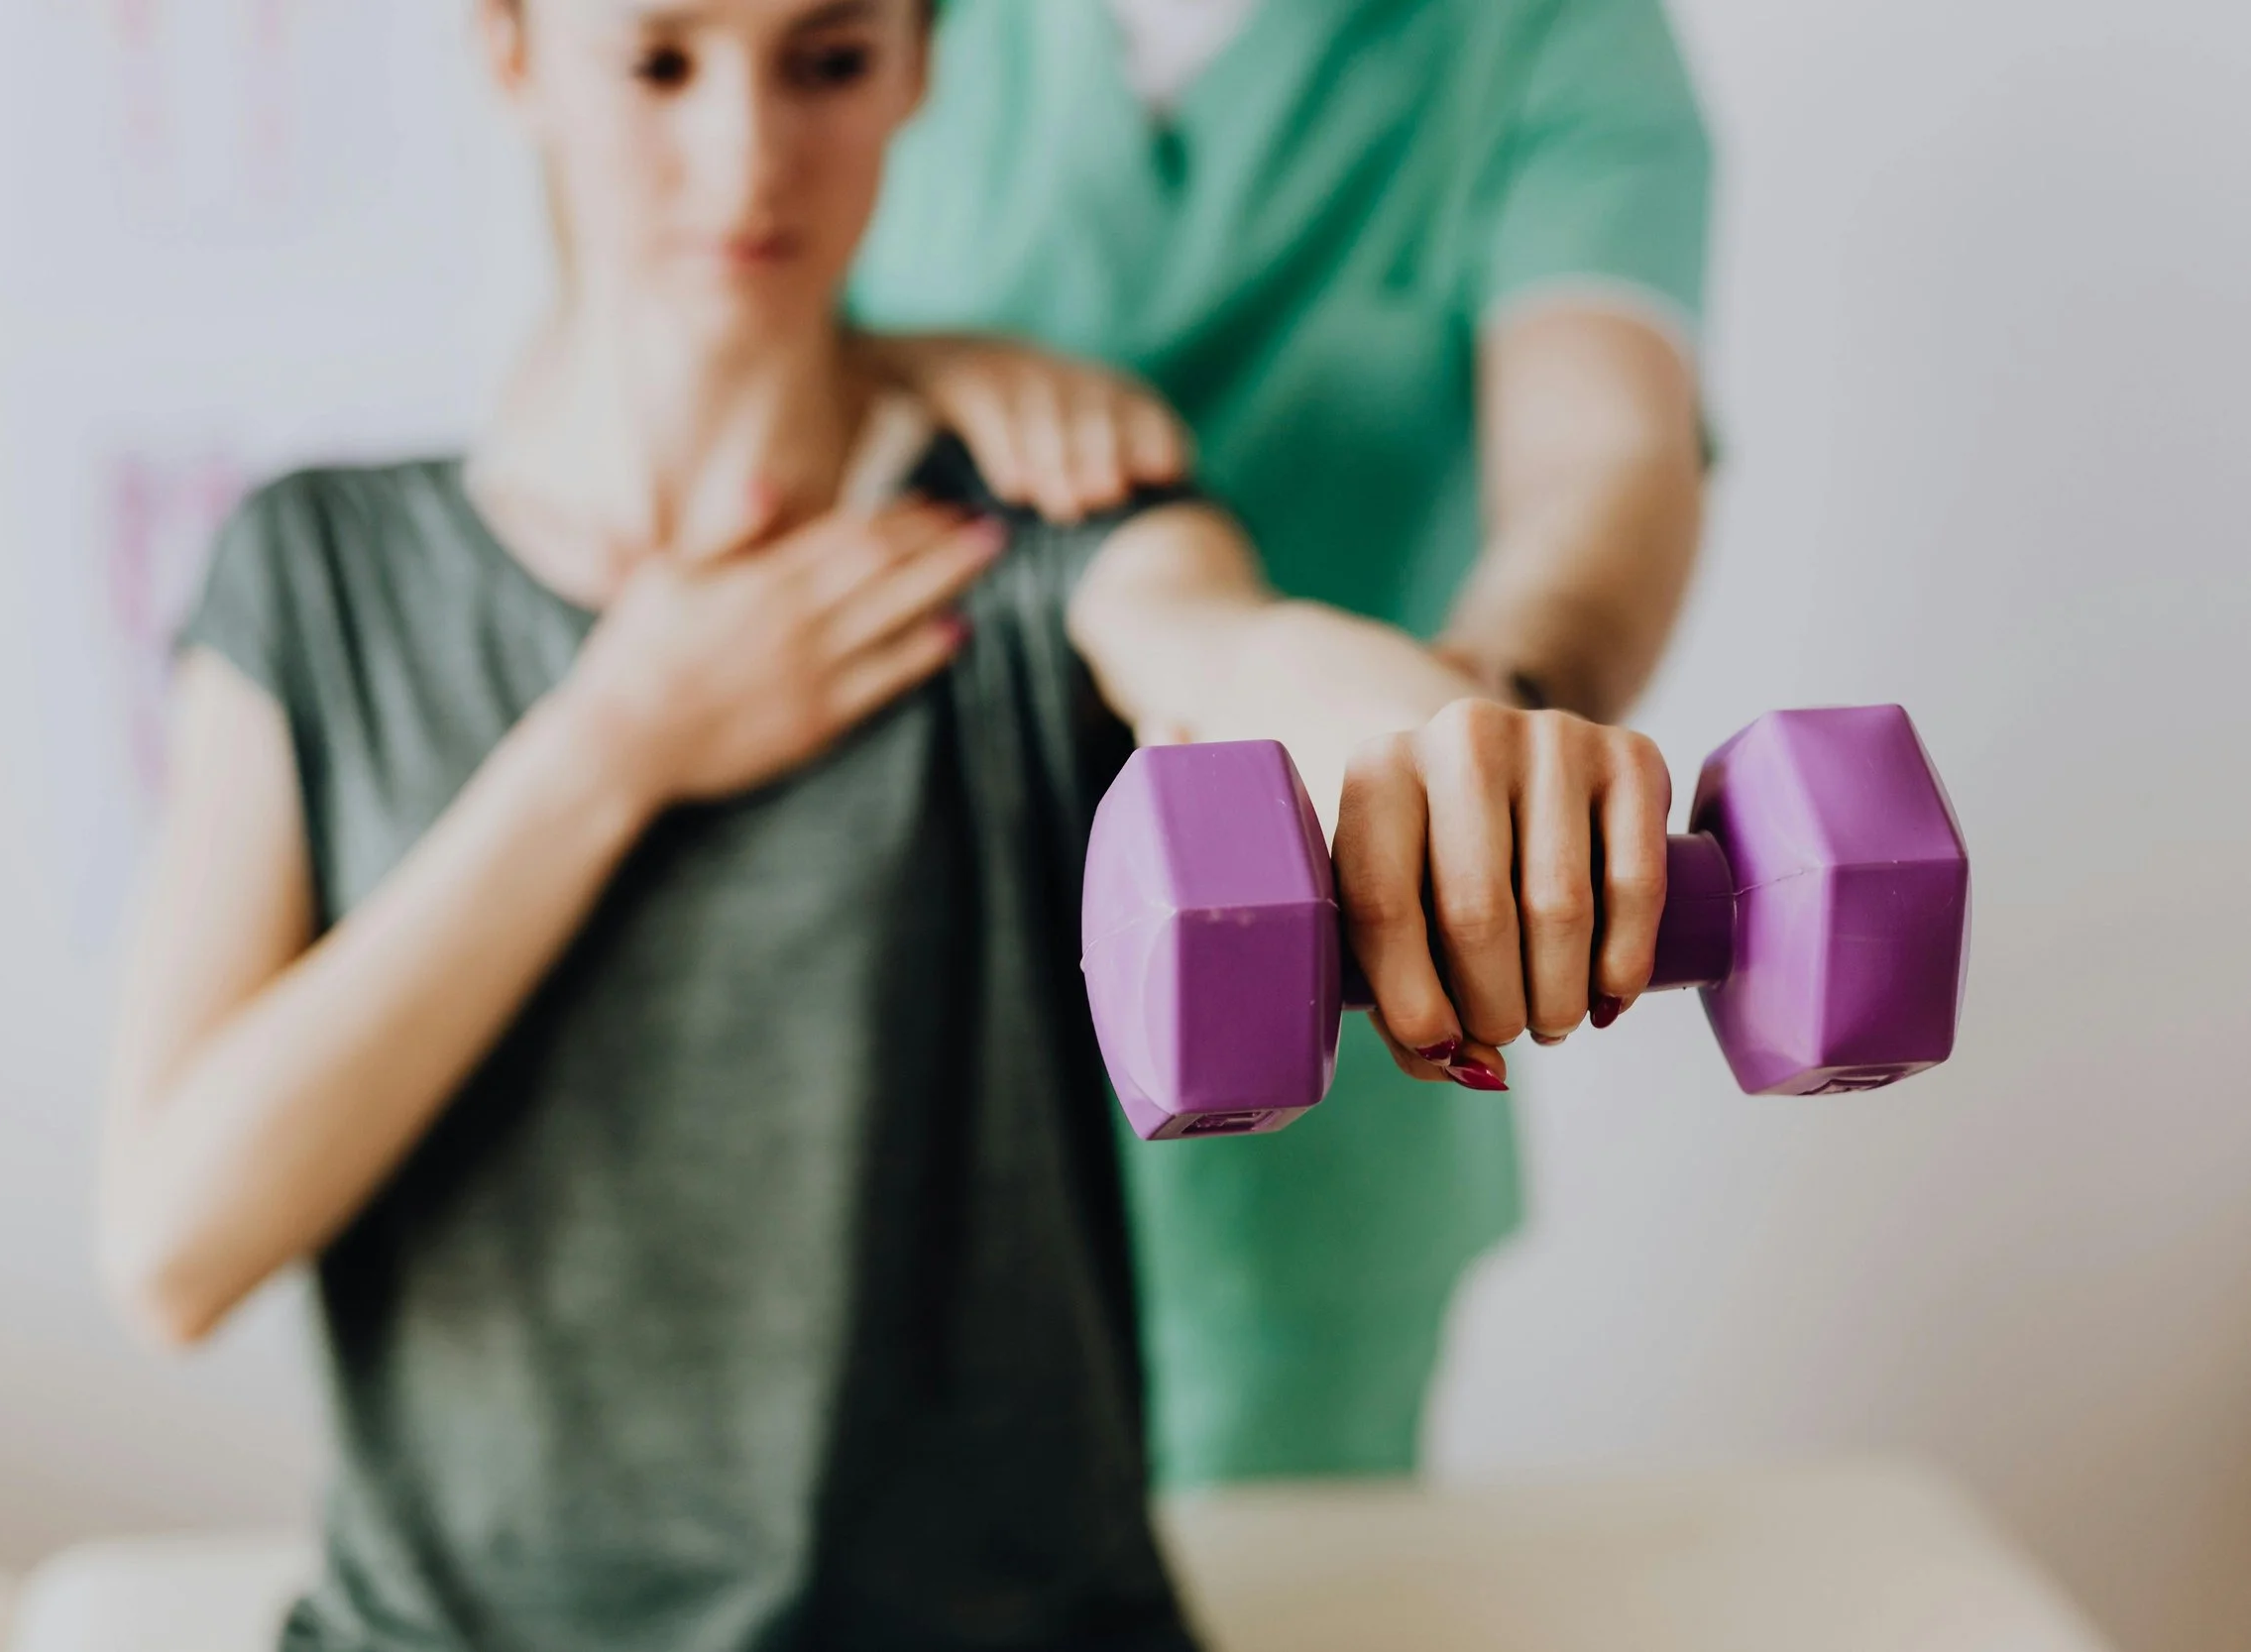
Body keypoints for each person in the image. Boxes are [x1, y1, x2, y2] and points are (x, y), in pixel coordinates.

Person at [98, 1, 1675, 1646]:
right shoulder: (321, 567)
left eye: (828, 62)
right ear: (509, 52)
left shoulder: (1047, 528)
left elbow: (1232, 648)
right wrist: (611, 751)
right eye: (658, 63)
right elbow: (170, 1246)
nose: (746, 158)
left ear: (924, 62)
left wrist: (1438, 732)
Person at [848, 0, 1714, 1487]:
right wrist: (898, 369)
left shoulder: (1547, 37)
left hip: (1316, 1090)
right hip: (868, 1042)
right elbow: (660, 330)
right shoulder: (876, 33)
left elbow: (1609, 452)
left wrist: (1474, 739)